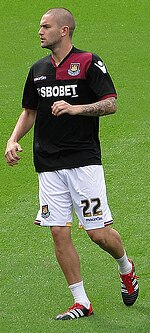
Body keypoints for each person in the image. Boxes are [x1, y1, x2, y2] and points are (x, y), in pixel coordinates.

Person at [5, 7, 139, 320]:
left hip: (83, 162)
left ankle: (126, 267)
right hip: (48, 164)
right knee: (58, 232)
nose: (39, 31)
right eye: (40, 26)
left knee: (97, 233)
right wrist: (13, 140)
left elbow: (111, 104)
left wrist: (77, 110)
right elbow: (30, 111)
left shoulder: (89, 62)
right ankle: (82, 302)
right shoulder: (38, 69)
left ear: (64, 30)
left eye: (45, 26)